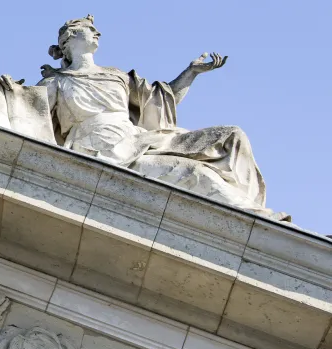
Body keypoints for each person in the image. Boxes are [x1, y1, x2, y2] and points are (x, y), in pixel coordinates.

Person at [37, 15, 288, 221]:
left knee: (232, 135)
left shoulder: (117, 76)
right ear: (69, 38)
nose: (97, 33)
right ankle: (257, 218)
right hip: (102, 148)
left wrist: (191, 73)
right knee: (195, 173)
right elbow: (30, 115)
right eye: (90, 29)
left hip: (136, 140)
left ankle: (255, 210)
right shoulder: (55, 82)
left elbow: (161, 101)